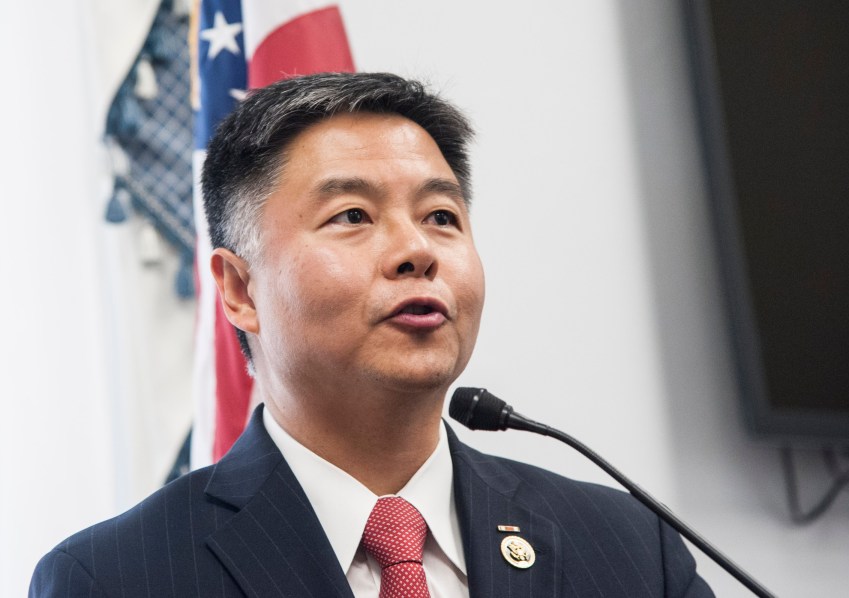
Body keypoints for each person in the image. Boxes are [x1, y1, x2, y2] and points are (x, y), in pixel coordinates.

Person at [30, 72, 713, 597]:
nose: (417, 251)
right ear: (239, 290)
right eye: (353, 215)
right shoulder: (115, 577)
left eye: (442, 216)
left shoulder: (629, 547)